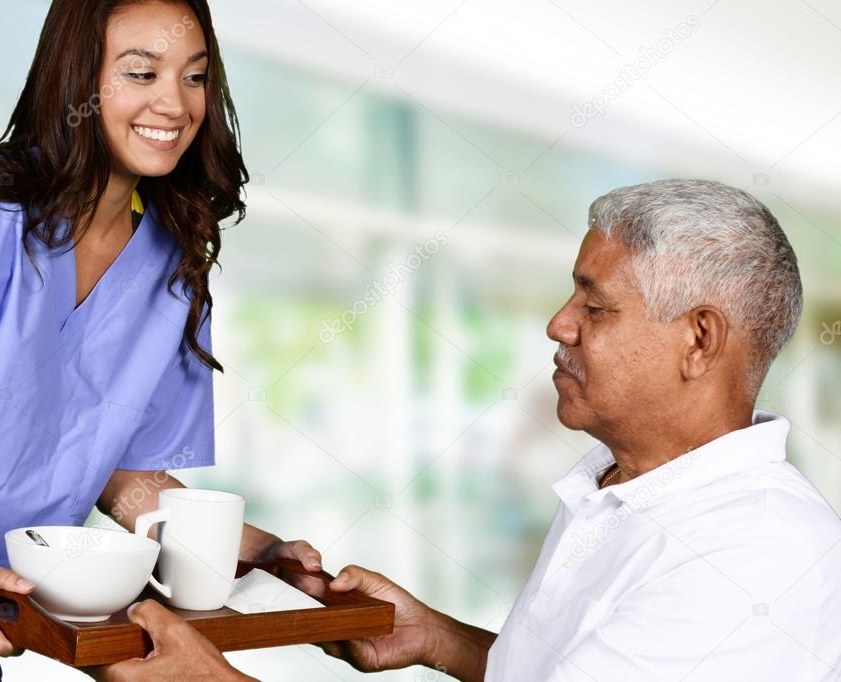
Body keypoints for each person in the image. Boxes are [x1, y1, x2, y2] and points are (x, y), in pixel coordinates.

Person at [109, 179, 841, 681]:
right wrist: (439, 639)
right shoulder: (619, 489)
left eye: (595, 306)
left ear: (699, 341)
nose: (557, 324)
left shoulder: (756, 547)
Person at [0, 2, 320, 680]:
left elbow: (121, 474)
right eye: (141, 73)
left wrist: (258, 553)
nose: (174, 103)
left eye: (195, 77)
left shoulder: (173, 261)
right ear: (76, 81)